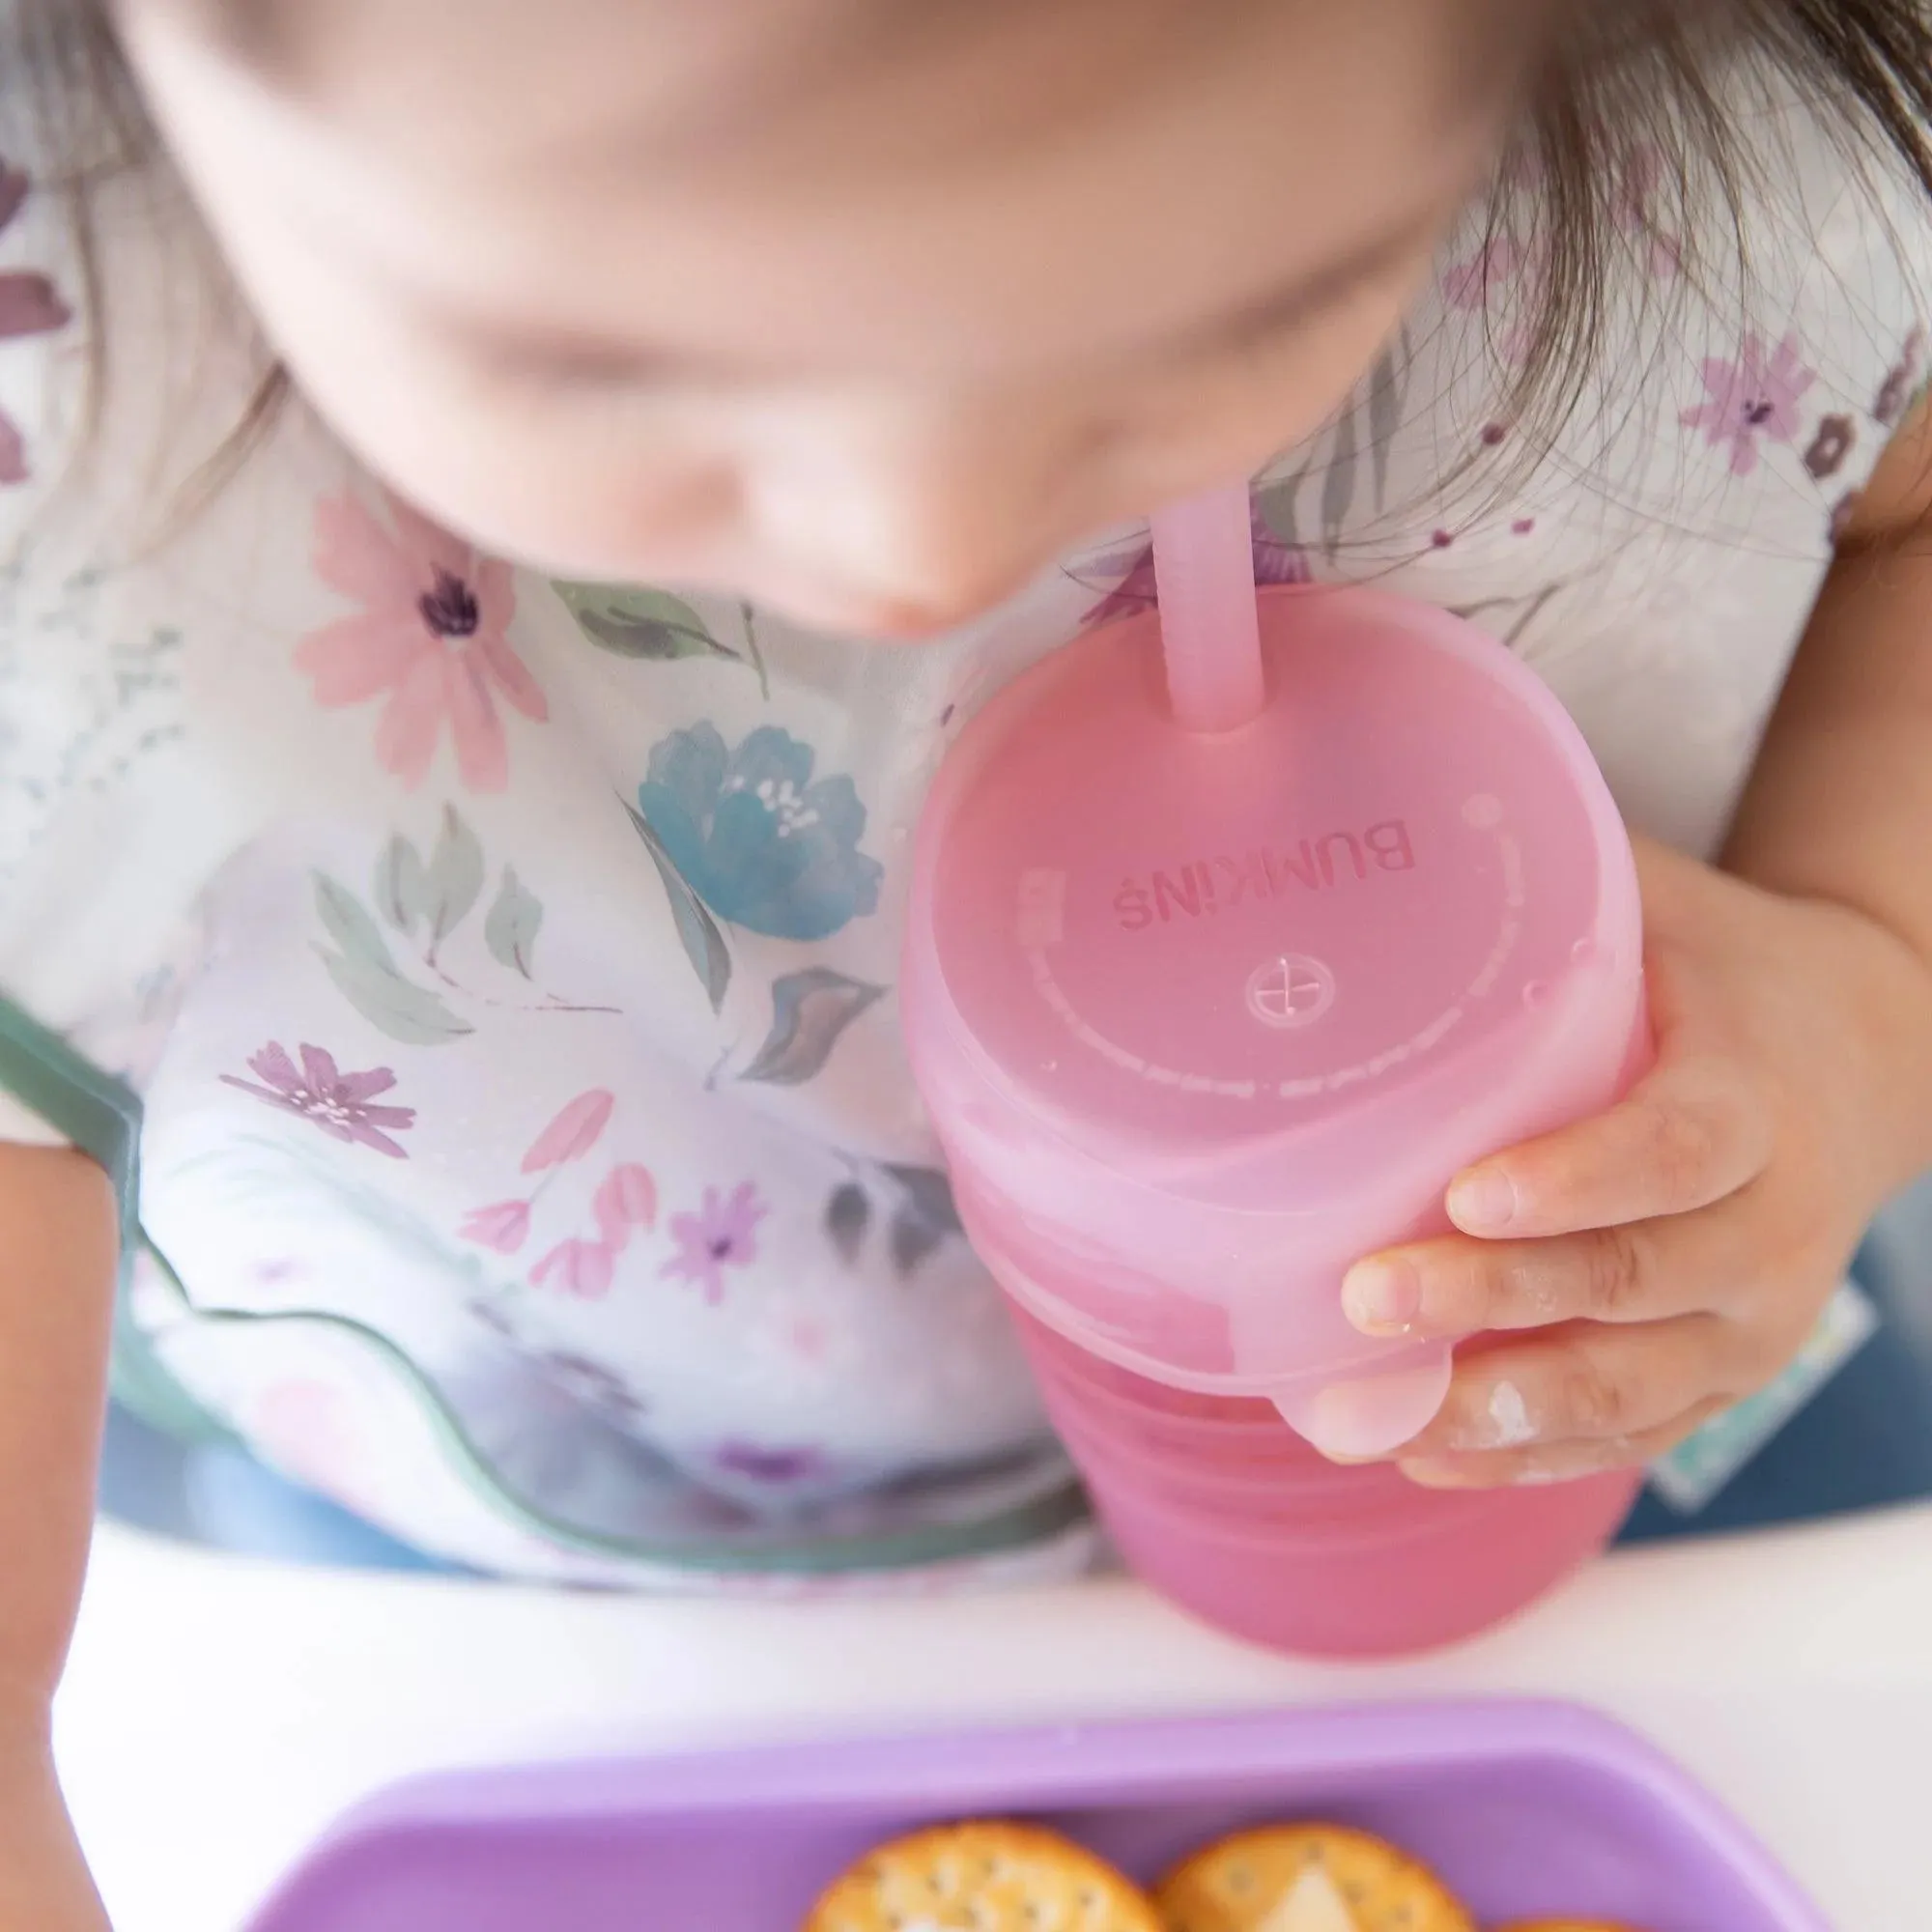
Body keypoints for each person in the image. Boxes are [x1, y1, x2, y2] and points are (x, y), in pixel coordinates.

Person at [9, 0, 1932, 1918]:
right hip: (588, 1544)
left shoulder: (1742, 141)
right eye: (602, 369)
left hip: (1603, 1353)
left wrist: (1864, 976)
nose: (916, 547)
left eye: (1219, 318)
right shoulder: (64, 472)